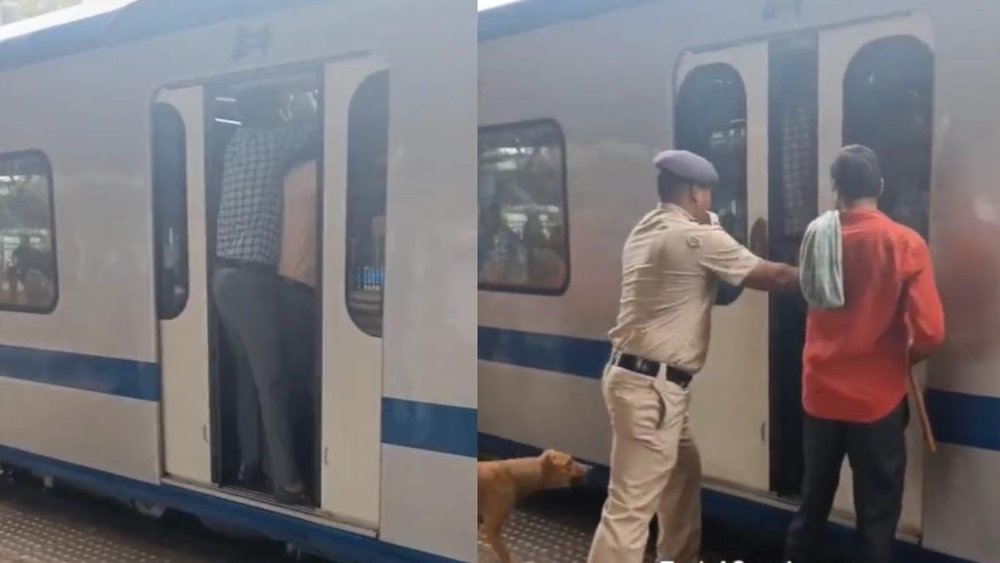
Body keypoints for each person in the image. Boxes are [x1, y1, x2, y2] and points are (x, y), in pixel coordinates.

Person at [588, 150, 798, 563]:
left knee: (682, 478)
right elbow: (773, 276)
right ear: (695, 192)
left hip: (645, 384)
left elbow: (711, 275)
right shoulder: (693, 239)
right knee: (629, 508)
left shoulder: (647, 228)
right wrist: (828, 273)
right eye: (709, 194)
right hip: (653, 390)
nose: (711, 202)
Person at [785, 145, 945, 563]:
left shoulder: (816, 236)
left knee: (812, 504)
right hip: (877, 404)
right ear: (880, 186)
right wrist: (904, 357)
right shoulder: (905, 243)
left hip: (820, 397)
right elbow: (931, 332)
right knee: (875, 517)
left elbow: (806, 297)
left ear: (836, 189)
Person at [212, 86, 314, 504]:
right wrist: (304, 103)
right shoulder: (274, 143)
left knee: (247, 378)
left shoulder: (236, 144)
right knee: (272, 382)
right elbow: (320, 125)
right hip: (252, 282)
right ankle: (286, 480)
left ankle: (249, 462)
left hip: (223, 278)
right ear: (273, 107)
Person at [277, 151, 319, 494]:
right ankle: (307, 466)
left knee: (297, 381)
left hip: (291, 290)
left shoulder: (290, 174)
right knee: (307, 383)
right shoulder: (314, 174)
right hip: (302, 291)